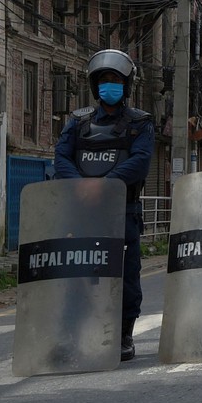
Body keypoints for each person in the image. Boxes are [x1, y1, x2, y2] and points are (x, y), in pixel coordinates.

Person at [53, 48, 152, 362]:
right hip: (83, 213)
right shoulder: (78, 123)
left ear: (126, 84)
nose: (110, 85)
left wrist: (105, 184)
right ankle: (72, 334)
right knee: (77, 273)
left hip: (122, 212)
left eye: (116, 80)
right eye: (104, 80)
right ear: (95, 86)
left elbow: (140, 162)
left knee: (126, 276)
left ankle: (123, 335)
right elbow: (61, 158)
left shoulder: (140, 124)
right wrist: (82, 185)